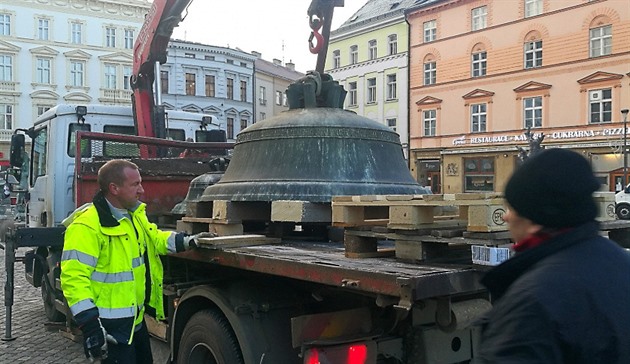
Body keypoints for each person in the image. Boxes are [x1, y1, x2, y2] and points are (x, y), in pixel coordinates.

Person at [475, 148, 630, 363]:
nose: (506, 217)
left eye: (512, 207)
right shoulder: (621, 262)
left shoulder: (532, 301)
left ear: (536, 218)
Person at [61, 159, 196, 363]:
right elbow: (74, 279)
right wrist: (90, 326)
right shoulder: (86, 227)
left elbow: (155, 238)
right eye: (135, 184)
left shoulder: (133, 216)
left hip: (135, 323)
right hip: (109, 327)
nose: (141, 190)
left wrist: (187, 241)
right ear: (114, 188)